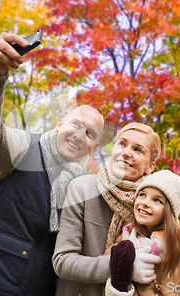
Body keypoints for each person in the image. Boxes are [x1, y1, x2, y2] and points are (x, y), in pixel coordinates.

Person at [0, 32, 105, 296]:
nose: (80, 135)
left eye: (90, 134)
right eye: (76, 124)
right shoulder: (23, 148)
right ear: (60, 124)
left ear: (93, 146)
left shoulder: (82, 187)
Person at [52, 123, 163, 296]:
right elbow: (62, 261)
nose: (126, 152)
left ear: (150, 166)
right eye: (122, 143)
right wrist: (122, 265)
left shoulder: (155, 206)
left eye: (138, 150)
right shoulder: (82, 189)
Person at [104, 170, 180, 296]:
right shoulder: (118, 250)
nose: (144, 203)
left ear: (169, 212)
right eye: (142, 195)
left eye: (157, 200)